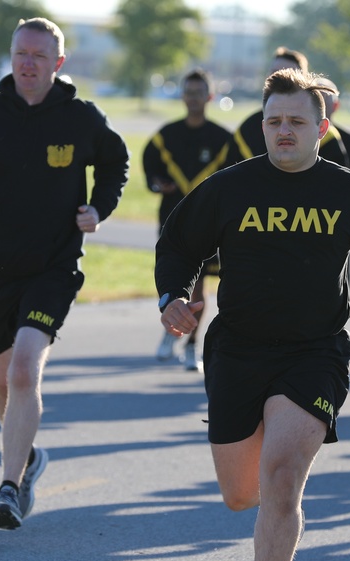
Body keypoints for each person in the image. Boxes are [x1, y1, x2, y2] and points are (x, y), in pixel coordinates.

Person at [155, 68, 350, 561]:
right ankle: (271, 518)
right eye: (274, 121)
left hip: (314, 351)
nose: (283, 131)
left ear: (322, 127)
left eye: (296, 121)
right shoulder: (229, 189)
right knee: (238, 494)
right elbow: (177, 243)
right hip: (236, 350)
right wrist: (172, 296)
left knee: (281, 478)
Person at [0, 17, 130, 529]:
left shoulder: (81, 118)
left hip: (53, 267)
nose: (27, 63)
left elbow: (116, 162)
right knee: (2, 381)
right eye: (21, 53)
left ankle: (9, 486)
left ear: (58, 63)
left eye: (39, 55)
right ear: (11, 56)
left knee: (22, 371)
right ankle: (29, 456)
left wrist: (98, 209)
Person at [142, 68, 232, 371]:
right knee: (175, 281)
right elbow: (150, 168)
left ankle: (193, 344)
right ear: (182, 96)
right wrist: (158, 183)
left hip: (211, 224)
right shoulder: (166, 136)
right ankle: (170, 333)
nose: (193, 98)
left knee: (200, 286)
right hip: (173, 220)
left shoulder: (223, 139)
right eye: (188, 92)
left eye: (199, 93)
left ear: (210, 96)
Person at [225, 47, 308, 165]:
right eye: (274, 73)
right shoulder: (248, 129)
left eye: (287, 74)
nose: (279, 80)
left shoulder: (316, 129)